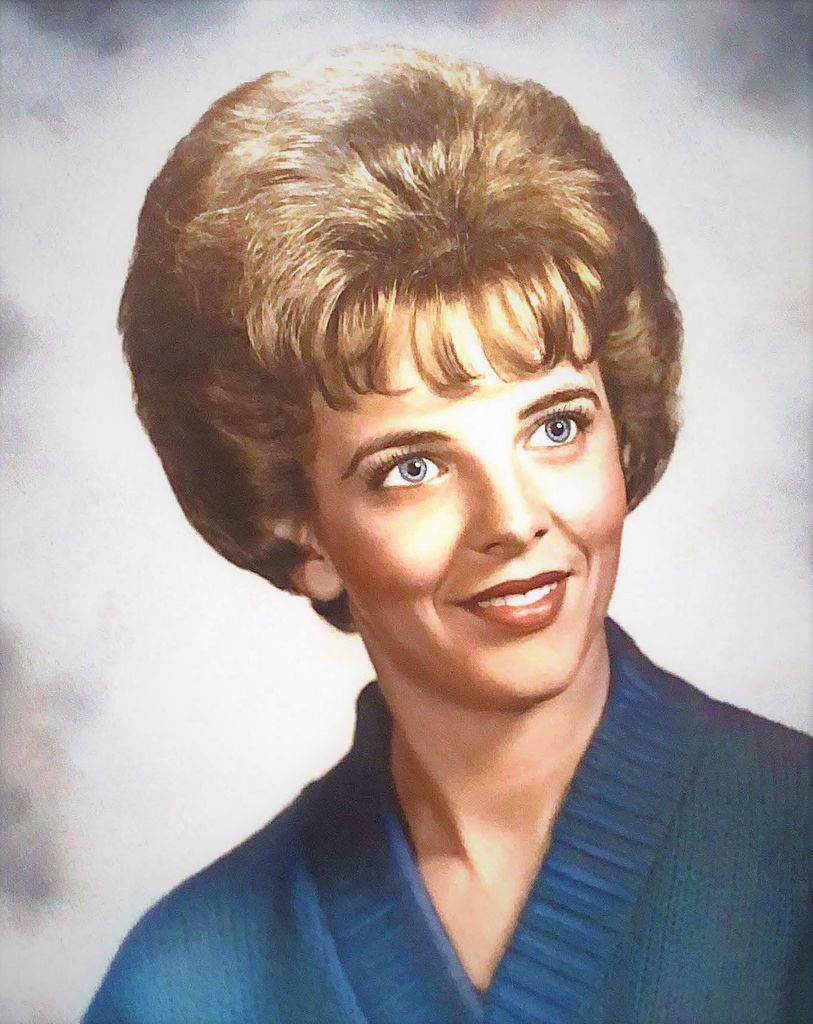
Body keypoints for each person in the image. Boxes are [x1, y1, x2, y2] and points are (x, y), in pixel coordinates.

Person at [84, 48, 810, 1024]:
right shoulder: (186, 983)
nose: (513, 519)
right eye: (413, 468)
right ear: (296, 528)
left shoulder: (793, 850)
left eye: (556, 426)